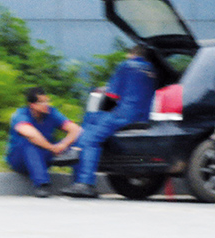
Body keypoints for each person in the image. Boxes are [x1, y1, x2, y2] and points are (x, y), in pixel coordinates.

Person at [62, 45, 157, 198]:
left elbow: (113, 95)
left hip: (124, 114)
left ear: (131, 54)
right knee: (91, 120)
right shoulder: (151, 70)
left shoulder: (126, 65)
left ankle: (85, 183)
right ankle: (77, 172)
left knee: (91, 138)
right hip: (143, 115)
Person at [6, 87, 83, 197]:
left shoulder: (51, 112)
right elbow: (30, 133)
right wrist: (52, 148)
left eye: (47, 101)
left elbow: (76, 129)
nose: (46, 104)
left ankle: (80, 183)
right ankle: (42, 185)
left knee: (79, 142)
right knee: (29, 142)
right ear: (32, 105)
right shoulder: (21, 114)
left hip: (45, 154)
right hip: (19, 159)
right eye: (42, 102)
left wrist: (63, 145)